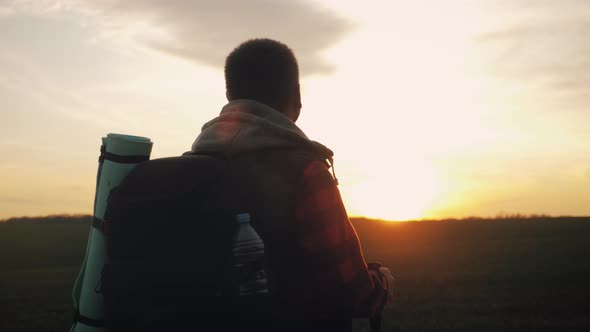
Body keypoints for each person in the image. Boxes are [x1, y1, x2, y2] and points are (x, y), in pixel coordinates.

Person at [188, 38, 394, 331]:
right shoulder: (306, 172)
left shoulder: (192, 169)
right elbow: (353, 295)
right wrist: (381, 281)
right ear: (297, 96)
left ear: (228, 95)